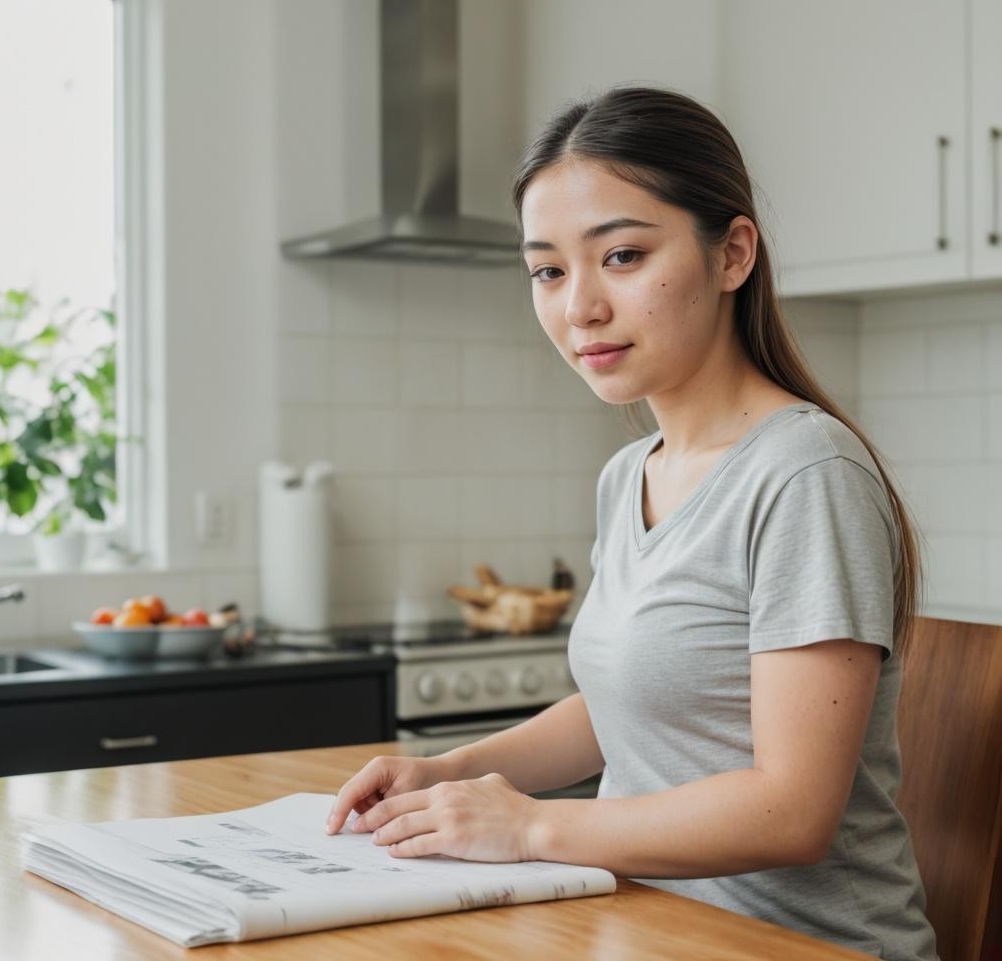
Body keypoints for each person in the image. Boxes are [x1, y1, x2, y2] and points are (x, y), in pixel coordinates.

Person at [324, 86, 938, 960]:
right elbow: (628, 705)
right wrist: (452, 774)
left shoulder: (806, 472)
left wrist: (531, 827)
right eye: (548, 270)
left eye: (620, 255)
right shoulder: (628, 477)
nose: (579, 308)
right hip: (652, 931)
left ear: (732, 255)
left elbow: (792, 811)